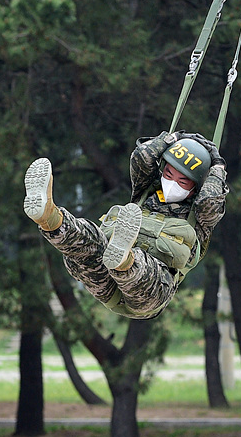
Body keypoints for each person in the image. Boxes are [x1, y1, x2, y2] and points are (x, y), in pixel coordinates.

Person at [23, 131, 228, 319]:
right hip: (104, 283)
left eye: (182, 182)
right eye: (168, 175)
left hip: (149, 293)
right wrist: (171, 138)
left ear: (195, 188)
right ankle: (48, 216)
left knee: (142, 264)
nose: (171, 184)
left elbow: (211, 200)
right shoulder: (146, 192)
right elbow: (142, 157)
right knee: (90, 237)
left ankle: (124, 258)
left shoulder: (198, 218)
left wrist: (217, 167)